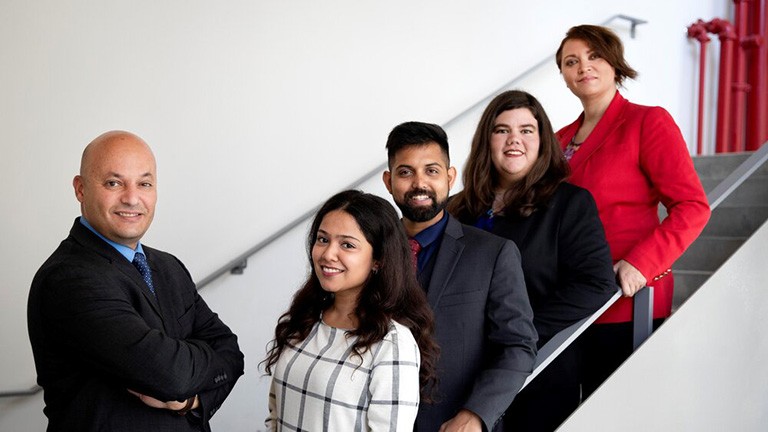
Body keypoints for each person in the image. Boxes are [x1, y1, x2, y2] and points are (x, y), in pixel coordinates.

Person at [27, 130, 245, 431]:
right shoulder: (69, 279)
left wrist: (187, 402)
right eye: (114, 183)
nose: (132, 198)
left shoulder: (168, 267)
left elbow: (230, 351)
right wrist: (188, 370)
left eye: (144, 183)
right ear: (80, 189)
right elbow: (173, 376)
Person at [554, 24, 711, 398]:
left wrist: (643, 262)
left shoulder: (647, 122)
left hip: (625, 298)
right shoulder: (557, 140)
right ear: (563, 76)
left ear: (614, 63)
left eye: (593, 56)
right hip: (566, 301)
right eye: (571, 61)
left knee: (616, 409)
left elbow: (692, 206)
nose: (583, 67)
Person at [447, 90, 617, 431]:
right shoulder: (456, 207)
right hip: (459, 370)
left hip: (537, 368)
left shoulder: (570, 204)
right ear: (487, 140)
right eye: (502, 130)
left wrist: (519, 335)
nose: (514, 140)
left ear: (542, 141)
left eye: (527, 130)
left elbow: (596, 285)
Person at [382, 121, 538, 432]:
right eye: (405, 172)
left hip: (451, 424)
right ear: (388, 181)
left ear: (450, 177)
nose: (419, 183)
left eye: (432, 171)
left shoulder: (493, 253)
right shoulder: (369, 251)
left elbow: (519, 345)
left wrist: (477, 413)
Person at [263, 190, 439, 431]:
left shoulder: (392, 343)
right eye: (323, 239)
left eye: (347, 244)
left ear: (378, 259)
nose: (327, 254)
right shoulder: (306, 319)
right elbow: (276, 416)